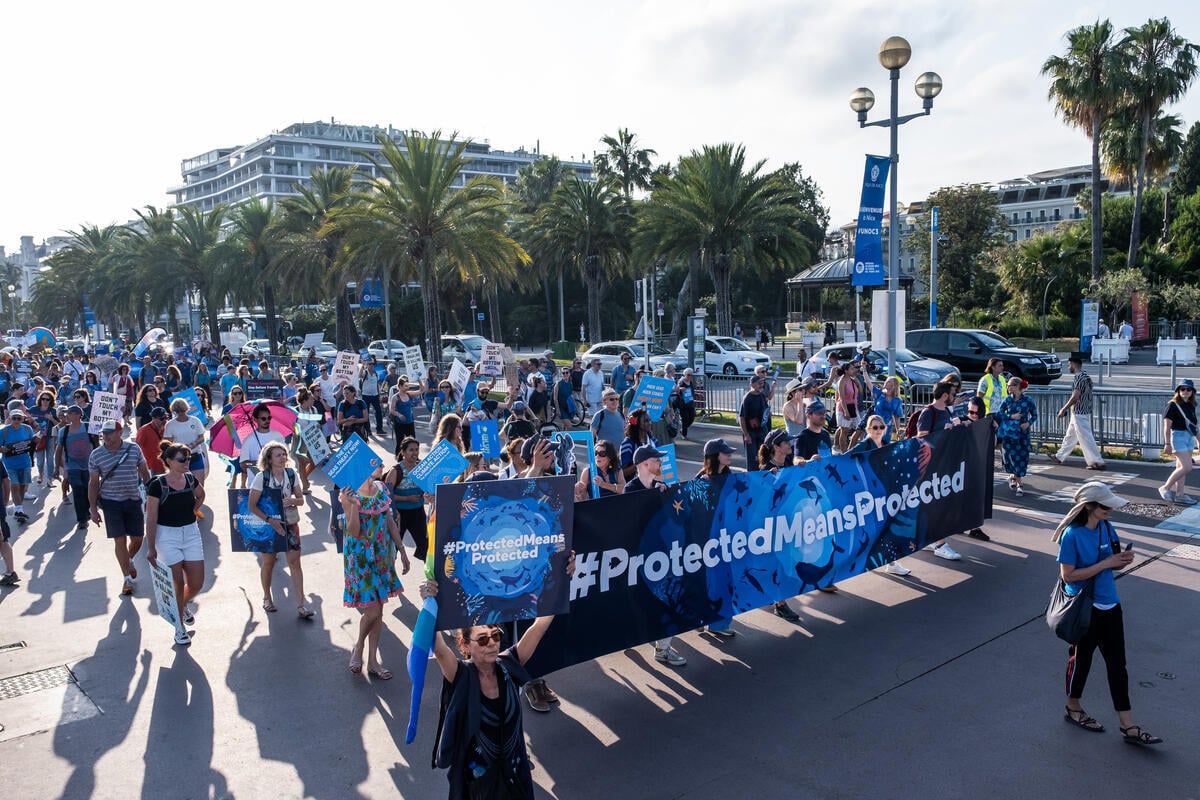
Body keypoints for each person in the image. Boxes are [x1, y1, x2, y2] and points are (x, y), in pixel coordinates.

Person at [423, 582, 570, 800]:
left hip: (515, 774)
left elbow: (540, 625)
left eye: (496, 636)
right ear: (465, 644)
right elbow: (439, 647)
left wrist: (561, 577)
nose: (491, 643)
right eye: (482, 639)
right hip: (478, 783)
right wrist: (429, 601)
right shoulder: (461, 674)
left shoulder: (509, 663)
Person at [1052, 481, 1161, 746]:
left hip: (1110, 604)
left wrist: (1122, 561)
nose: (1109, 510)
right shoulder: (1072, 535)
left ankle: (1128, 725)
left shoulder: (1106, 528)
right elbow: (1068, 576)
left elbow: (1112, 564)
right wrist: (1106, 563)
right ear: (1088, 506)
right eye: (1105, 506)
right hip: (1084, 608)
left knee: (1117, 665)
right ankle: (1073, 707)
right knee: (1082, 660)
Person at [341, 468, 410, 679]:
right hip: (360, 559)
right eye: (375, 464)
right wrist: (353, 505)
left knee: (379, 611)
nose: (380, 466)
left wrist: (402, 550)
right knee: (371, 612)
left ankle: (373, 661)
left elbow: (389, 522)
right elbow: (353, 531)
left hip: (381, 556)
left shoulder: (381, 488)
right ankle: (359, 647)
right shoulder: (348, 493)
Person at [622, 444, 686, 666]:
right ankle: (626, 635)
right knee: (639, 603)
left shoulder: (661, 487)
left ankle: (663, 649)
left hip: (660, 556)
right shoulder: (630, 489)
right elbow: (631, 522)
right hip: (638, 558)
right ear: (644, 464)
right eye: (656, 459)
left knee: (667, 599)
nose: (660, 462)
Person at [145, 441, 206, 646]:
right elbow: (151, 517)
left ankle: (182, 604)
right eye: (182, 459)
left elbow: (201, 495)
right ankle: (179, 627)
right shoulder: (157, 484)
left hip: (191, 533)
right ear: (169, 461)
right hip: (166, 537)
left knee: (196, 583)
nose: (187, 462)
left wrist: (194, 509)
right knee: (177, 583)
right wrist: (151, 547)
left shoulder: (190, 479)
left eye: (189, 458)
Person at [248, 442, 314, 618]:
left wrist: (292, 500)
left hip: (290, 523)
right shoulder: (261, 477)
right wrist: (270, 521)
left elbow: (301, 500)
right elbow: (251, 505)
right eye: (278, 455)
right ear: (269, 459)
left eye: (284, 454)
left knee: (295, 564)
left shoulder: (291, 474)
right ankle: (267, 597)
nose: (283, 457)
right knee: (268, 563)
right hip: (269, 526)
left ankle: (301, 605)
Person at [88, 420, 152, 596]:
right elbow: (93, 483)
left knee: (138, 538)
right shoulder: (96, 455)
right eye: (104, 433)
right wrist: (92, 509)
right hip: (111, 502)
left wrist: (151, 496)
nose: (106, 436)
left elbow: (144, 473)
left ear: (119, 432)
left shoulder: (133, 449)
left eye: (110, 432)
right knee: (120, 540)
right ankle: (126, 579)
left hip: (133, 499)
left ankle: (128, 560)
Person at [849, 416, 910, 575]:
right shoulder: (864, 444)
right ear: (868, 429)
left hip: (882, 493)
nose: (878, 430)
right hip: (866, 495)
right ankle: (861, 561)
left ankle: (890, 562)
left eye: (881, 427)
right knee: (871, 529)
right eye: (874, 427)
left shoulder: (885, 444)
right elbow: (846, 458)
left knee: (882, 528)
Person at [915, 381, 965, 561]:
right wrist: (943, 431)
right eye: (953, 394)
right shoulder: (928, 412)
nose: (954, 397)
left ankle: (932, 540)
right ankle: (940, 544)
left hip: (944, 464)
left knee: (938, 504)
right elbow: (921, 438)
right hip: (932, 467)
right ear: (945, 395)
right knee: (937, 505)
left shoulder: (947, 411)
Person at [1053, 354, 1105, 471]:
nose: (1068, 367)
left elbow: (1075, 397)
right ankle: (1059, 456)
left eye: (1069, 365)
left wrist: (1063, 409)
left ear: (1073, 364)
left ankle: (1097, 461)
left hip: (1079, 412)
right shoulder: (1086, 376)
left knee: (1086, 438)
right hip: (1083, 410)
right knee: (1070, 436)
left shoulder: (1079, 378)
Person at [385, 437, 429, 563]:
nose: (415, 453)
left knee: (425, 546)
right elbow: (386, 495)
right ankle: (389, 573)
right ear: (403, 452)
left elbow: (428, 487)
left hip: (418, 513)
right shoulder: (396, 471)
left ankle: (430, 573)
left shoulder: (422, 468)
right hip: (399, 515)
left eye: (417, 450)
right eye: (411, 450)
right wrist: (406, 498)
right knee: (393, 548)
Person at [56, 405, 94, 532]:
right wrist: (56, 467)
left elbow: (97, 445)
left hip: (89, 466)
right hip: (72, 466)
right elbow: (58, 450)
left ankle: (87, 511)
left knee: (87, 490)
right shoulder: (63, 431)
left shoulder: (88, 427)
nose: (67, 416)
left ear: (78, 415)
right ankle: (82, 520)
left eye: (70, 413)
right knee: (77, 489)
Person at [1160, 378, 1197, 504]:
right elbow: (1167, 426)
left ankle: (1180, 494)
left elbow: (1193, 426)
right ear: (1178, 391)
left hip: (1189, 437)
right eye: (1182, 389)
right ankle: (1165, 487)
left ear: (1192, 392)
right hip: (1178, 437)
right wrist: (1167, 443)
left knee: (1181, 467)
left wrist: (1198, 441)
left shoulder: (1191, 405)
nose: (1185, 391)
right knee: (1187, 467)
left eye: (1188, 389)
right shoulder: (1172, 405)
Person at [997, 377, 1037, 497]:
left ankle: (1016, 480)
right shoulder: (1007, 400)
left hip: (1022, 435)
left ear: (1016, 386)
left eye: (1009, 385)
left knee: (1021, 458)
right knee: (1010, 458)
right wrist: (1011, 416)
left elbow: (1035, 415)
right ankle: (1017, 482)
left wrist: (1028, 423)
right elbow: (999, 413)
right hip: (1009, 434)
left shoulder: (1028, 400)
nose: (1007, 387)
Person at [1, 402, 36, 523]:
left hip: (25, 462)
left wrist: (37, 439)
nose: (16, 420)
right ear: (10, 418)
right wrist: (2, 449)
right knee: (14, 485)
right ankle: (19, 509)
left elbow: (31, 443)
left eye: (19, 418)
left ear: (23, 419)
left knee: (22, 486)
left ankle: (18, 508)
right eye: (14, 418)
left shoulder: (27, 429)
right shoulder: (4, 431)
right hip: (9, 464)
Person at [164, 398, 208, 484]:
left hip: (195, 455)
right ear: (174, 411)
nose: (180, 413)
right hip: (179, 459)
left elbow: (202, 437)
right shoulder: (170, 424)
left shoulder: (195, 421)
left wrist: (193, 444)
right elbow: (167, 442)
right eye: (178, 411)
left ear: (186, 409)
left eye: (182, 410)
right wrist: (180, 448)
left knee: (199, 484)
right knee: (181, 484)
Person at [239, 404, 285, 481]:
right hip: (255, 483)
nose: (267, 421)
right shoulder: (248, 440)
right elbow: (243, 464)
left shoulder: (278, 436)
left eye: (269, 418)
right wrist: (257, 462)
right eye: (263, 419)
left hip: (277, 482)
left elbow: (286, 457)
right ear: (255, 419)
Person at [738, 375, 770, 469]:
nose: (761, 385)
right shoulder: (747, 398)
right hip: (750, 432)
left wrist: (768, 414)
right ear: (752, 384)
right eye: (759, 383)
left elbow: (765, 411)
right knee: (752, 459)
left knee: (764, 456)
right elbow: (741, 417)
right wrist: (746, 434)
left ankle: (763, 474)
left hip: (762, 430)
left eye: (762, 383)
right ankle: (752, 475)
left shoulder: (762, 396)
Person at [28, 391, 59, 487]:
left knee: (50, 459)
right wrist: (33, 424)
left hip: (50, 437)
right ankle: (40, 474)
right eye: (43, 399)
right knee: (40, 460)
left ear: (51, 401)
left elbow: (59, 425)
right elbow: (26, 418)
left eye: (47, 399)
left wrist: (51, 419)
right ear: (40, 399)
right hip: (38, 437)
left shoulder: (53, 411)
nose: (45, 401)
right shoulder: (33, 409)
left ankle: (50, 479)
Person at [619, 409, 657, 480]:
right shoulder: (628, 444)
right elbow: (622, 473)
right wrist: (639, 463)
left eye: (649, 420)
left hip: (652, 482)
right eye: (646, 421)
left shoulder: (654, 441)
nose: (649, 423)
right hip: (635, 484)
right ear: (636, 423)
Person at [793, 400, 833, 465]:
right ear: (808, 415)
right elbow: (796, 460)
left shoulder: (826, 435)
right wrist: (809, 461)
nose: (823, 416)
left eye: (824, 413)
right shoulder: (802, 437)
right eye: (819, 413)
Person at [388, 376, 421, 456]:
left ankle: (414, 457)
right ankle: (399, 458)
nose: (407, 388)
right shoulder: (395, 397)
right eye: (405, 386)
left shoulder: (409, 394)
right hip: (399, 423)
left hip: (409, 422)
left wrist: (419, 380)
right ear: (400, 386)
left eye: (408, 385)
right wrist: (399, 415)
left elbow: (422, 390)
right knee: (400, 442)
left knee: (413, 442)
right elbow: (391, 410)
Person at [136, 407, 168, 474]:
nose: (165, 420)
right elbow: (137, 448)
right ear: (153, 418)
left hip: (167, 465)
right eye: (162, 418)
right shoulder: (144, 430)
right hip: (152, 466)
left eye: (166, 417)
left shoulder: (168, 428)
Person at [359, 357, 385, 435]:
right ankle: (368, 430)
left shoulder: (375, 373)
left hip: (375, 395)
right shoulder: (365, 372)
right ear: (367, 365)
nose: (371, 365)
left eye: (373, 364)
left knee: (378, 412)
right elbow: (360, 375)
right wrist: (362, 366)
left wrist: (379, 395)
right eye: (370, 364)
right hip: (366, 395)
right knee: (366, 413)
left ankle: (379, 429)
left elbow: (376, 384)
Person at [872, 376, 903, 441]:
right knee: (872, 444)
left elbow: (897, 417)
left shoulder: (897, 400)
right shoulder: (880, 393)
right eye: (886, 381)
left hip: (886, 427)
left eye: (889, 381)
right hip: (874, 425)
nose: (886, 382)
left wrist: (898, 431)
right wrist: (864, 371)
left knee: (884, 444)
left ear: (893, 385)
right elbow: (869, 384)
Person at [675, 368, 697, 440]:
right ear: (684, 374)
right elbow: (676, 390)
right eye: (688, 375)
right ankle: (684, 434)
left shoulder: (691, 382)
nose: (690, 376)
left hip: (690, 402)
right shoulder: (681, 381)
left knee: (692, 418)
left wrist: (695, 395)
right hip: (683, 404)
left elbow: (692, 391)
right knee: (685, 419)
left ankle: (683, 429)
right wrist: (680, 389)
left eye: (691, 375)